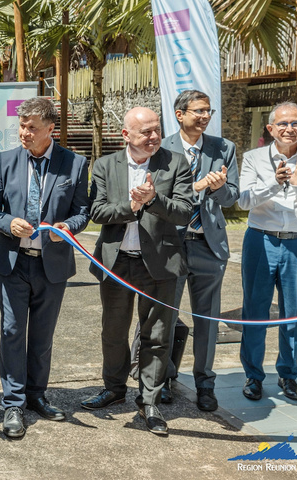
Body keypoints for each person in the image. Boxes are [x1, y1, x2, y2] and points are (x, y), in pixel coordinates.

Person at [0, 98, 90, 438]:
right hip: (13, 264)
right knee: (12, 332)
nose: (23, 133)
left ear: (50, 130)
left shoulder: (74, 164)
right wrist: (6, 222)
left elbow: (83, 211)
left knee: (42, 336)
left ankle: (37, 395)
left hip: (52, 266)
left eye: (31, 127)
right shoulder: (6, 160)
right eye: (21, 126)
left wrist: (66, 227)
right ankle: (13, 403)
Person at [80, 107, 192, 436]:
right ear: (125, 135)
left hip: (160, 265)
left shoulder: (176, 163)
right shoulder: (104, 165)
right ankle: (114, 390)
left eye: (156, 130)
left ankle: (149, 401)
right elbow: (97, 211)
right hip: (117, 263)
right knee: (113, 333)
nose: (154, 136)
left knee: (156, 337)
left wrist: (154, 201)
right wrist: (131, 207)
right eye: (145, 132)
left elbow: (184, 212)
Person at [153, 90, 239, 411]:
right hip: (170, 245)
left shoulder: (223, 148)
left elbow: (232, 197)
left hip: (208, 245)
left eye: (208, 111)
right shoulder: (162, 149)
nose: (204, 117)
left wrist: (218, 189)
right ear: (179, 114)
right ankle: (164, 379)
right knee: (166, 316)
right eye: (198, 111)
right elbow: (159, 195)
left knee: (207, 320)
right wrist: (199, 185)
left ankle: (204, 383)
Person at [238, 101, 297, 402]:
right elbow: (243, 201)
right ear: (270, 128)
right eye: (282, 123)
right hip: (262, 240)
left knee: (293, 314)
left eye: (295, 123)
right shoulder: (254, 159)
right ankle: (254, 376)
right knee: (255, 311)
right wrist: (275, 182)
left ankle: (288, 374)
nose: (289, 128)